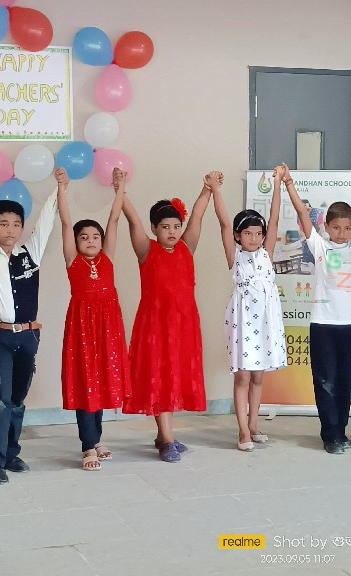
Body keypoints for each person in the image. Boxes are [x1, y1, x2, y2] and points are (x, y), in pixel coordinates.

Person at [0, 155, 63, 485]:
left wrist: (58, 188)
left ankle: (11, 453)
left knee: (18, 399)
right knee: (0, 398)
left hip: (29, 337)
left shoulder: (30, 253)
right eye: (3, 224)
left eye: (16, 224)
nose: (10, 229)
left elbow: (47, 219)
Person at [282, 163, 351, 454]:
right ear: (327, 227)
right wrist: (289, 183)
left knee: (347, 381)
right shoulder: (319, 246)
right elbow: (302, 213)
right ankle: (330, 434)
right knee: (325, 380)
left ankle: (340, 430)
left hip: (350, 325)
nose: (342, 233)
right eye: (336, 228)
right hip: (323, 324)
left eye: (347, 228)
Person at [121, 171, 215, 462]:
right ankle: (168, 441)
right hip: (155, 327)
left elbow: (198, 216)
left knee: (174, 378)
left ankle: (164, 436)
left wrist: (207, 190)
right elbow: (133, 220)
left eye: (176, 226)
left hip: (184, 325)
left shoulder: (186, 248)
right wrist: (121, 190)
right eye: (165, 227)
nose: (172, 232)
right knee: (160, 378)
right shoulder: (146, 250)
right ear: (154, 228)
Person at [58, 167, 131, 471]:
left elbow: (114, 219)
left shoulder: (108, 258)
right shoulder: (73, 261)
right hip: (82, 330)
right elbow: (65, 222)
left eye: (95, 236)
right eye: (84, 237)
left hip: (108, 328)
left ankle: (96, 439)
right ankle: (87, 446)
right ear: (75, 242)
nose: (90, 240)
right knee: (86, 382)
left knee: (101, 382)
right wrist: (62, 188)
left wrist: (120, 187)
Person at [211, 165, 287, 451]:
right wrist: (216, 190)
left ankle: (254, 425)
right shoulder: (236, 257)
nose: (254, 238)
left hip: (265, 320)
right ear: (238, 235)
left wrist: (278, 185)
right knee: (242, 375)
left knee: (258, 375)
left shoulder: (267, 254)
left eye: (258, 233)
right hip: (243, 320)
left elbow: (275, 218)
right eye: (248, 233)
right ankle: (242, 429)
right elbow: (222, 223)